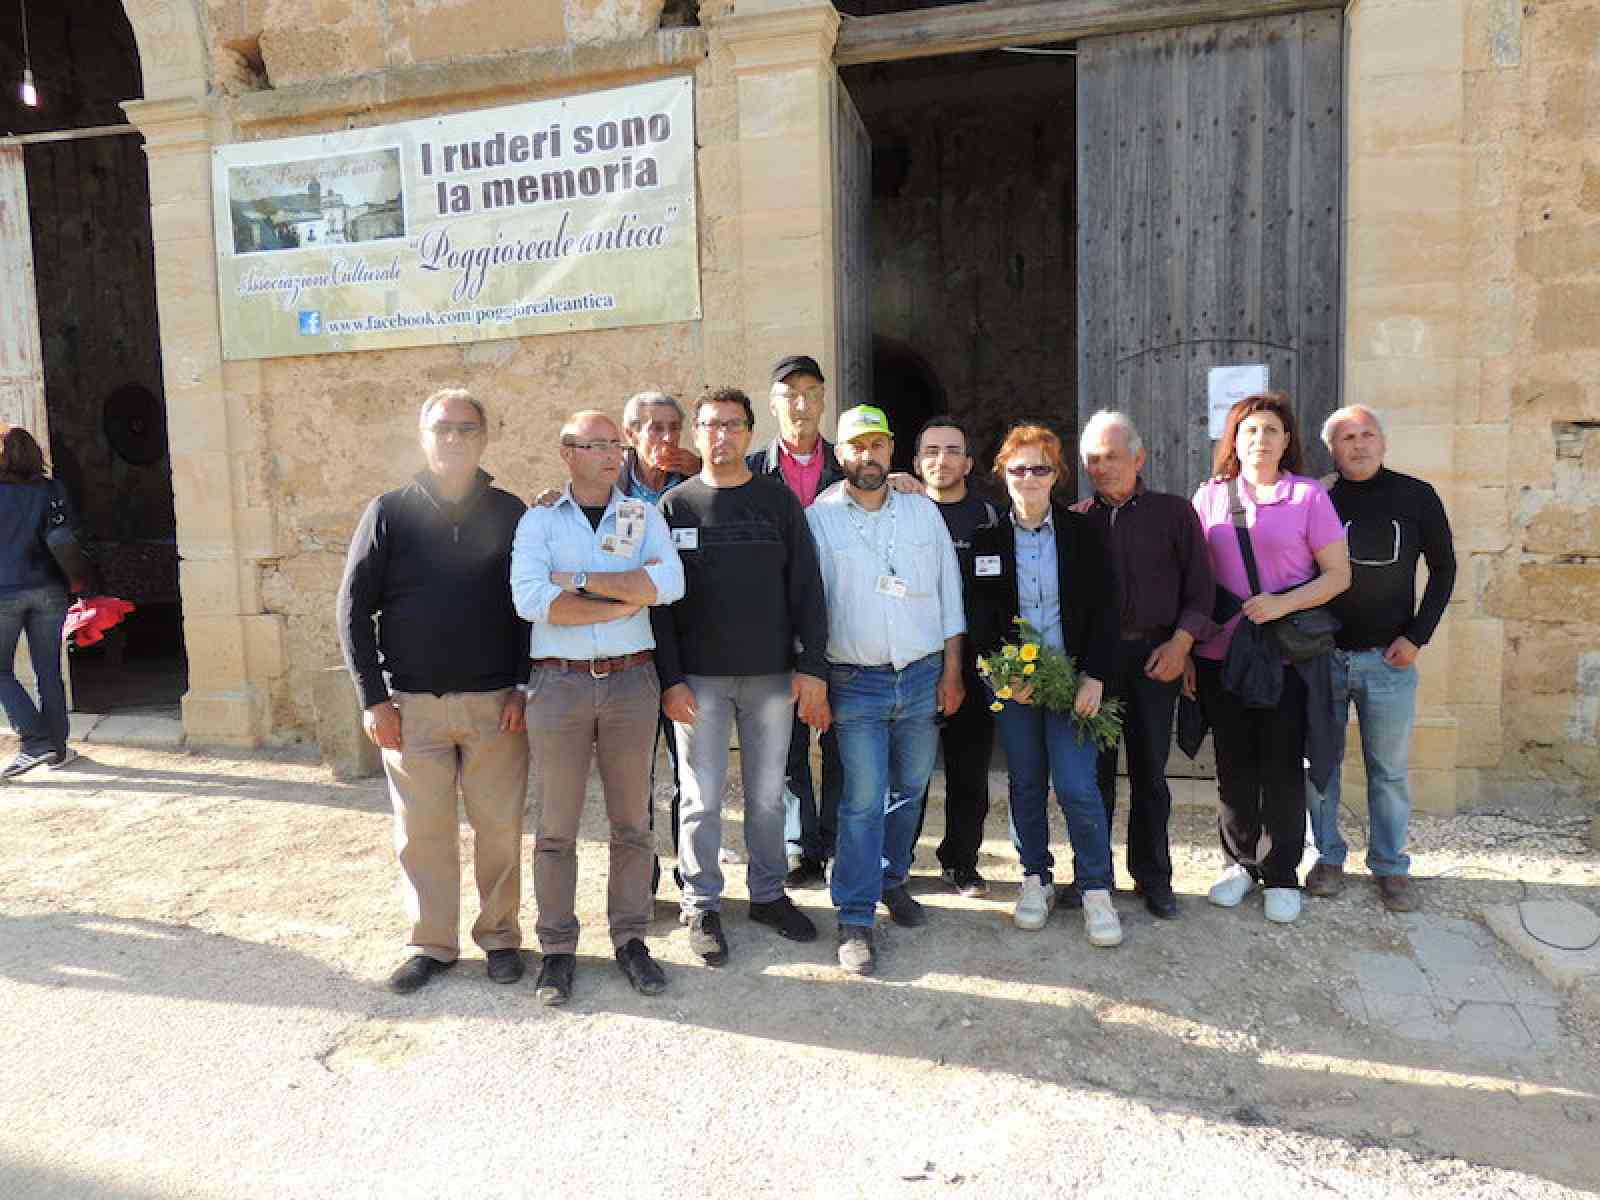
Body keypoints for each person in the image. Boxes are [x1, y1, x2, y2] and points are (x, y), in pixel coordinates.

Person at [337, 388, 531, 995]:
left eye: (466, 429)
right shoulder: (389, 512)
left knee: (499, 829)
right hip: (411, 709)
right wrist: (373, 699)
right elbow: (351, 607)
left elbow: (528, 608)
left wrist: (524, 686)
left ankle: (499, 936)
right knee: (422, 834)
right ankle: (432, 944)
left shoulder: (509, 511)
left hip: (496, 704)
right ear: (424, 436)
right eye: (442, 428)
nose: (454, 439)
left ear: (484, 438)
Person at [510, 410, 685, 1004]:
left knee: (633, 823)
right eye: (596, 444)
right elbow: (532, 599)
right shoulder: (538, 522)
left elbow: (672, 583)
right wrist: (619, 599)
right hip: (557, 687)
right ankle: (557, 949)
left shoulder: (642, 514)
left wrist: (578, 581)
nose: (612, 453)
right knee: (555, 826)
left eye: (616, 443)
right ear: (567, 452)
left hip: (632, 683)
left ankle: (631, 939)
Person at [651, 387, 828, 964]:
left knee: (769, 796)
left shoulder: (779, 505)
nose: (721, 435)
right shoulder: (673, 508)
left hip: (771, 678)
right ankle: (700, 902)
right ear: (696, 435)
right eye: (710, 425)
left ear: (749, 432)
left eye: (732, 425)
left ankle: (768, 894)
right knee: (700, 797)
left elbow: (806, 590)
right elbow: (659, 607)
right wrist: (670, 680)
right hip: (698, 681)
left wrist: (811, 667)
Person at [805, 405, 966, 975]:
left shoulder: (923, 513)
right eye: (856, 447)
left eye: (876, 446)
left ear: (891, 450)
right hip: (856, 682)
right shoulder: (818, 520)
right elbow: (809, 610)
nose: (867, 456)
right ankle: (854, 915)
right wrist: (814, 682)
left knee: (911, 788)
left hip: (922, 676)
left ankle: (892, 879)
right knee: (862, 798)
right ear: (840, 454)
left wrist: (952, 671)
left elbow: (950, 596)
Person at [1188, 392, 1350, 925]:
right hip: (1222, 655)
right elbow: (1193, 581)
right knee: (1233, 765)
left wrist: (1281, 603)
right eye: (1250, 430)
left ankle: (1281, 871)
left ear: (1288, 441)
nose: (1261, 439)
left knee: (1281, 764)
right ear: (1234, 439)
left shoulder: (1307, 498)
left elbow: (1337, 576)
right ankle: (1239, 865)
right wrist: (1187, 650)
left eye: (1272, 430)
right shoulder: (1208, 498)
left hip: (1284, 656)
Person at [968, 424, 1124, 948]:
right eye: (1019, 469)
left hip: (1072, 682)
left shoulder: (1084, 535)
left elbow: (1107, 611)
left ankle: (1096, 886)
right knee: (1026, 784)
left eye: (1041, 468)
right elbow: (981, 616)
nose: (1029, 478)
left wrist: (1096, 675)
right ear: (1002, 475)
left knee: (1078, 785)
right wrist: (1005, 675)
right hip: (1016, 688)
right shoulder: (987, 542)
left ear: (1056, 475)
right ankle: (1035, 877)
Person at [1305, 404, 1455, 912]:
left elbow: (1444, 569)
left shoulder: (1416, 496)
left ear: (1383, 442)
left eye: (1368, 434)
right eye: (1347, 437)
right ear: (1333, 448)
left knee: (1387, 769)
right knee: (1319, 765)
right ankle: (1326, 857)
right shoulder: (1317, 497)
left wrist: (1418, 637)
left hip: (1389, 661)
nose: (1359, 444)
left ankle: (1390, 865)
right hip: (1323, 657)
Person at [1072, 411, 1215, 920]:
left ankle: (1153, 876)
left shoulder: (1174, 514)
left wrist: (1180, 646)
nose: (1103, 466)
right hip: (1096, 666)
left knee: (1151, 773)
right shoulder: (1077, 519)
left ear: (1138, 457)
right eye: (1093, 458)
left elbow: (1202, 588)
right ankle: (1093, 877)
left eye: (1112, 456)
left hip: (1157, 658)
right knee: (1094, 776)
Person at [748, 355, 846, 889]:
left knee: (836, 740)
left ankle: (831, 845)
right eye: (789, 394)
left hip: (838, 619)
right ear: (773, 403)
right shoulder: (749, 471)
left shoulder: (847, 467)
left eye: (810, 392)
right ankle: (795, 842)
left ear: (824, 399)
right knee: (783, 744)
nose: (801, 403)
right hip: (773, 628)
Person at [910, 416, 1001, 898]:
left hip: (973, 664)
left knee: (969, 771)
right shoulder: (901, 511)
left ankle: (961, 861)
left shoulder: (989, 516)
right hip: (913, 661)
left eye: (951, 451)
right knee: (911, 770)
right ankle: (899, 857)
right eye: (930, 451)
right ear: (916, 461)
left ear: (968, 462)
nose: (940, 460)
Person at [0, 426, 82, 779]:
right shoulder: (53, 489)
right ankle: (57, 749)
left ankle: (35, 740)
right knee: (49, 671)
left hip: (5, 590)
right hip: (50, 589)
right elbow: (69, 535)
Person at [620, 390, 700, 505]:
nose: (668, 437)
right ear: (631, 434)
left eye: (674, 428)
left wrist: (702, 472)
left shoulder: (694, 476)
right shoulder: (611, 480)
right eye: (657, 428)